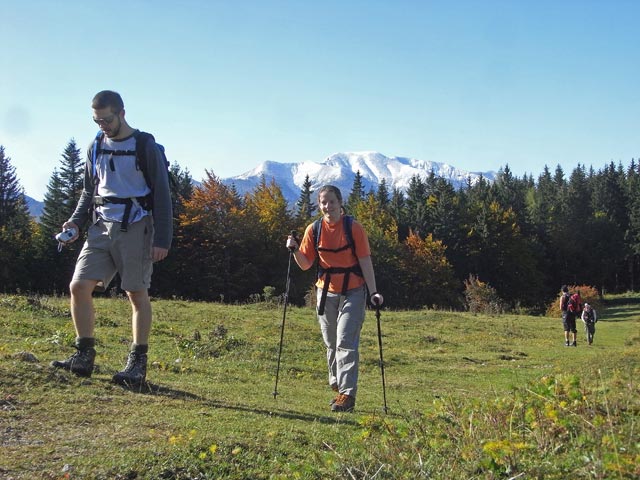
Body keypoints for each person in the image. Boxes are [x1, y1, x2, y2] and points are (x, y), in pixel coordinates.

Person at [50, 90, 173, 387]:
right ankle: (83, 355)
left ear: (121, 113)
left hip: (136, 226)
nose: (102, 125)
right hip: (100, 226)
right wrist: (76, 224)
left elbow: (162, 194)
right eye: (96, 120)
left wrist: (163, 239)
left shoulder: (145, 146)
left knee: (135, 293)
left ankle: (137, 363)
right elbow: (88, 191)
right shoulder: (96, 145)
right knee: (78, 286)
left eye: (106, 119)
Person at [286, 185, 384, 412]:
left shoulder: (354, 228)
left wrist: (374, 292)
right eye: (323, 202)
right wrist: (293, 250)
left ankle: (347, 395)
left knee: (345, 341)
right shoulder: (315, 229)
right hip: (326, 292)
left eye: (331, 202)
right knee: (331, 342)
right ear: (319, 205)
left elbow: (365, 261)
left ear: (340, 203)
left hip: (354, 291)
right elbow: (305, 264)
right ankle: (338, 385)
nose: (327, 206)